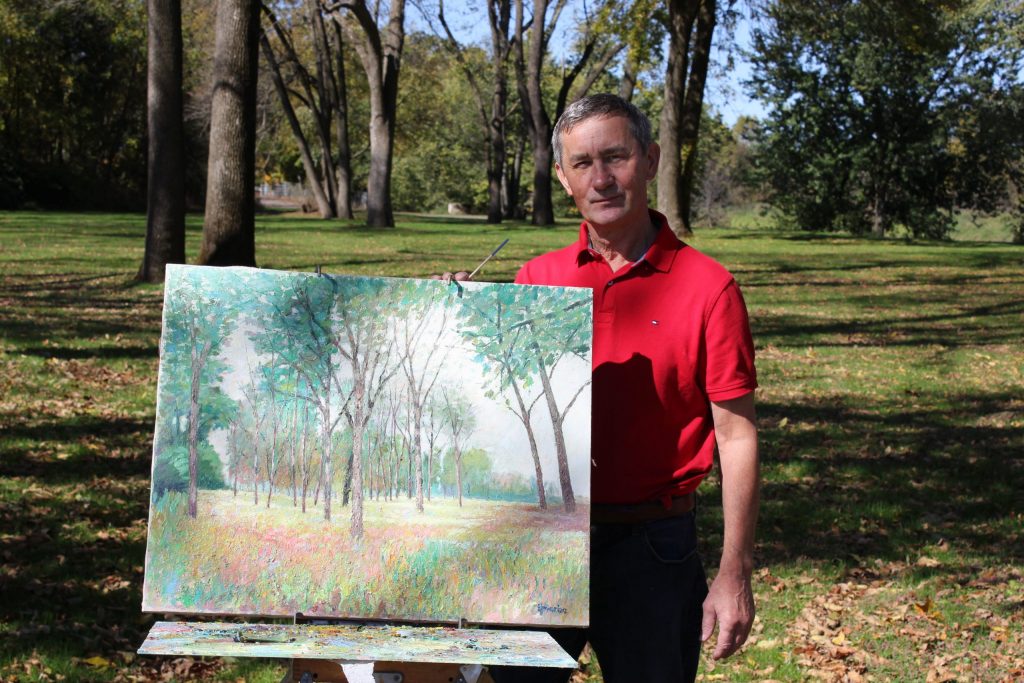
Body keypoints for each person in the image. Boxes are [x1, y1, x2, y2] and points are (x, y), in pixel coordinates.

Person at [444, 93, 759, 683]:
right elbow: (492, 410)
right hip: (539, 538)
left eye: (615, 157)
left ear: (650, 159)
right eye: (582, 163)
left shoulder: (709, 288)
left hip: (653, 545)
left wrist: (735, 570)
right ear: (564, 179)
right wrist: (449, 320)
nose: (602, 178)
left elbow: (737, 437)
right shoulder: (537, 280)